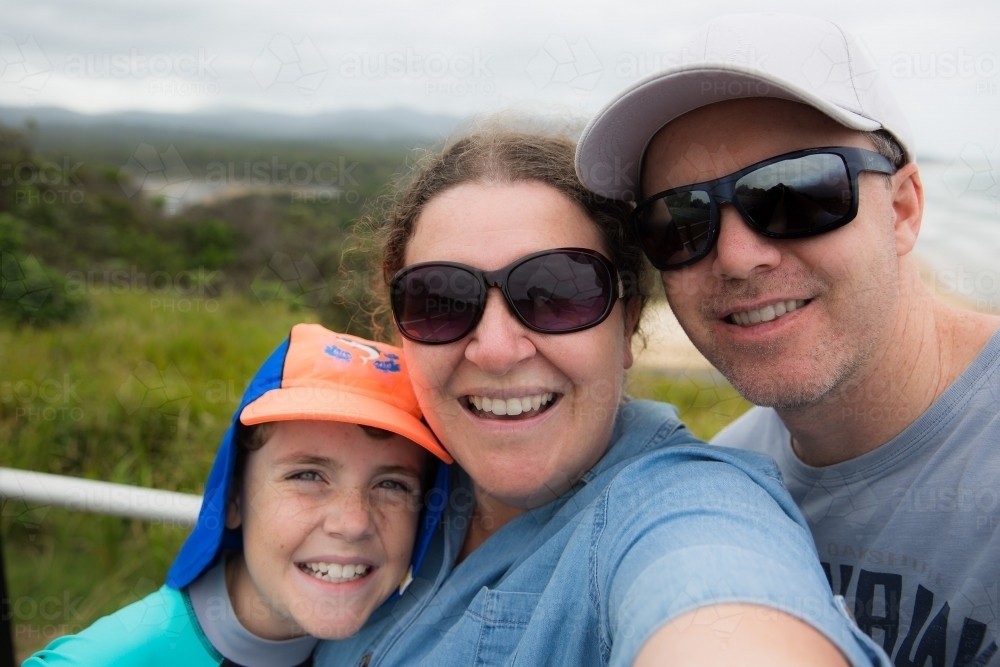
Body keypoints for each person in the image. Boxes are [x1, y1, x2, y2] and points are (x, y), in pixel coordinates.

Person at [314, 128, 889, 666]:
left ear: (627, 324)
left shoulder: (678, 506)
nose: (493, 349)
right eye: (439, 300)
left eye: (556, 293)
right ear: (399, 330)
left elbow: (719, 599)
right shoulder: (379, 472)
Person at [575, 13, 1000, 667]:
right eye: (681, 221)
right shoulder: (735, 479)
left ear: (905, 208)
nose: (740, 257)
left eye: (796, 193)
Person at [25, 324, 452, 667]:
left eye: (392, 484)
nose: (354, 522)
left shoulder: (414, 647)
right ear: (232, 499)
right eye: (307, 475)